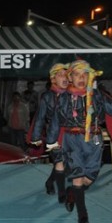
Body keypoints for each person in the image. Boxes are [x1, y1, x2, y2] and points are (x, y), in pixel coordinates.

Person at [46, 59, 112, 223]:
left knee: (88, 179)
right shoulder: (63, 98)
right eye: (76, 74)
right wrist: (52, 141)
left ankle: (72, 192)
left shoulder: (97, 96)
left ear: (89, 77)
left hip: (94, 141)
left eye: (84, 74)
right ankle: (83, 216)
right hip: (72, 141)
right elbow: (56, 121)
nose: (81, 78)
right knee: (77, 176)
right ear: (70, 77)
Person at [28, 63, 69, 203]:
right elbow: (39, 118)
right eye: (61, 75)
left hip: (71, 135)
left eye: (66, 75)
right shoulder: (46, 97)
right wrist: (36, 137)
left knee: (65, 163)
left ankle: (50, 182)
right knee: (59, 162)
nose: (65, 78)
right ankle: (62, 194)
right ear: (53, 79)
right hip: (54, 135)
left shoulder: (74, 94)